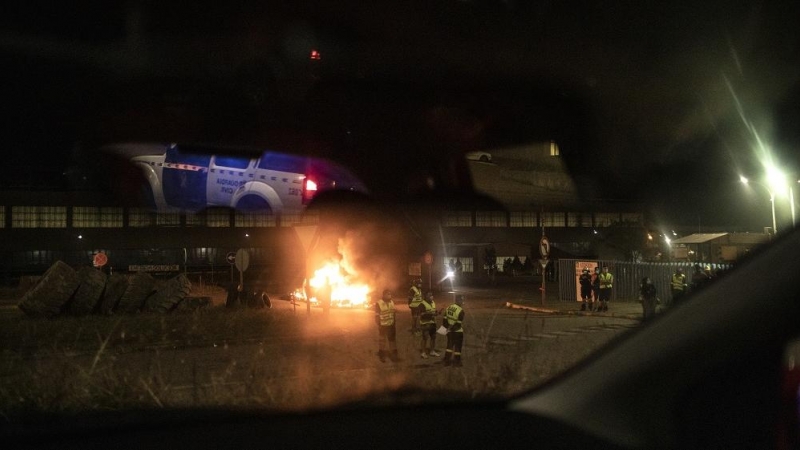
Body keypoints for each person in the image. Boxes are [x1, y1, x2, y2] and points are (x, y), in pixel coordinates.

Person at [374, 289, 399, 363]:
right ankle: (381, 354)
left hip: (391, 325)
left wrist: (394, 323)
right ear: (384, 295)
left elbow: (393, 313)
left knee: (392, 341)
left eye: (390, 294)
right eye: (388, 294)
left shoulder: (392, 302)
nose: (390, 296)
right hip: (383, 326)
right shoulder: (379, 303)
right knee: (382, 341)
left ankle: (394, 356)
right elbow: (377, 316)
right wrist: (379, 325)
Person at [443, 294, 466, 367]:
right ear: (458, 300)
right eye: (462, 300)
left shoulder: (448, 307)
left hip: (449, 331)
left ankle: (447, 360)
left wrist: (447, 330)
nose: (463, 302)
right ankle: (457, 361)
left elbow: (444, 320)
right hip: (457, 332)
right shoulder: (461, 311)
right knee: (458, 347)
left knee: (449, 346)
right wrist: (453, 329)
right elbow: (458, 325)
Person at [418, 291, 441, 358]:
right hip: (425, 324)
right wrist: (432, 314)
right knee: (425, 338)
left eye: (432, 295)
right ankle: (423, 352)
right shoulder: (422, 304)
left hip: (433, 323)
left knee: (433, 337)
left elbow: (433, 311)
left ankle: (432, 351)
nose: (431, 297)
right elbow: (422, 314)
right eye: (429, 295)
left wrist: (437, 312)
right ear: (425, 296)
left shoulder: (433, 303)